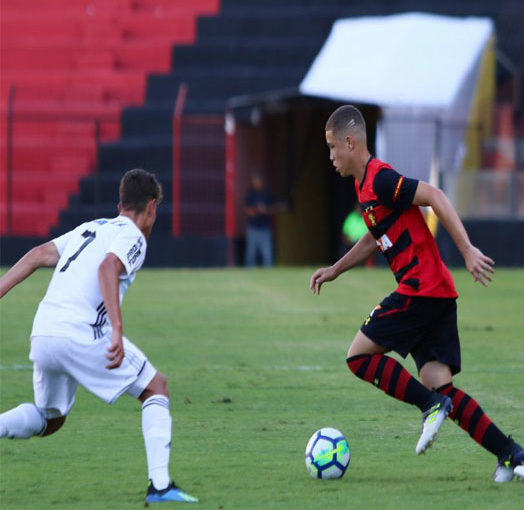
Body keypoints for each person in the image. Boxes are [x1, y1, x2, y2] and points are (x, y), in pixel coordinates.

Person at [310, 105, 523, 482]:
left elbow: (435, 196)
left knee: (358, 357)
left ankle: (429, 406)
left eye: (331, 147)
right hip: (437, 294)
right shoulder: (364, 188)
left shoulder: (380, 178)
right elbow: (377, 236)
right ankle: (511, 454)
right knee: (444, 389)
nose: (330, 157)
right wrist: (336, 269)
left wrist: (467, 250)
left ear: (349, 141)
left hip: (420, 290)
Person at [0, 169, 198, 504]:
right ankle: (161, 487)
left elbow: (37, 255)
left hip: (44, 330)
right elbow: (108, 268)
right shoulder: (133, 235)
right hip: (80, 332)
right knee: (156, 387)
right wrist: (117, 329)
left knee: (50, 418)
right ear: (152, 207)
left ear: (119, 203)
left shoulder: (89, 228)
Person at [244, 172, 275, 267]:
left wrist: (265, 209)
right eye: (254, 181)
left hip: (265, 228)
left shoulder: (268, 193)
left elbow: (274, 209)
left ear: (261, 181)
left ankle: (269, 275)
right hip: (253, 228)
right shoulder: (251, 193)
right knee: (251, 255)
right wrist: (256, 210)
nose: (255, 183)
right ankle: (248, 277)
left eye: (257, 181)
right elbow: (246, 209)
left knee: (267, 255)